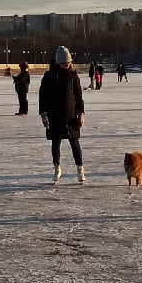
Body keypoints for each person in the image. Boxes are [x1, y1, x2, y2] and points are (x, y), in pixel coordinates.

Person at [39, 45, 85, 183]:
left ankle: (80, 169)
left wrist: (81, 113)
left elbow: (78, 96)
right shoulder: (49, 77)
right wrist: (43, 113)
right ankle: (57, 168)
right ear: (59, 63)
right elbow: (43, 96)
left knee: (75, 143)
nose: (68, 64)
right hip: (55, 115)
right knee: (56, 143)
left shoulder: (73, 76)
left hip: (71, 116)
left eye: (69, 62)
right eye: (65, 63)